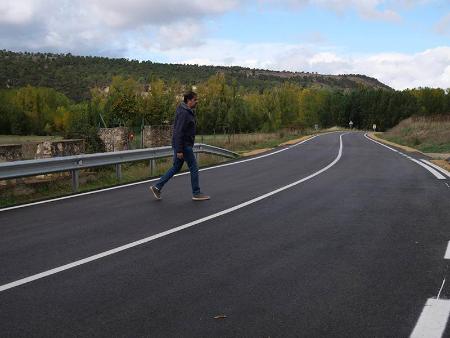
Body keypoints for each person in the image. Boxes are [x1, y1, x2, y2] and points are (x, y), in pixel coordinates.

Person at [150, 91, 210, 201]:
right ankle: (196, 193)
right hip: (184, 145)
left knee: (176, 167)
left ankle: (157, 187)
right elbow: (178, 132)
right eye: (195, 100)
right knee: (194, 167)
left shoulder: (186, 111)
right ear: (189, 100)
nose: (197, 102)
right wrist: (179, 150)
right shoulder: (184, 113)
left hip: (182, 145)